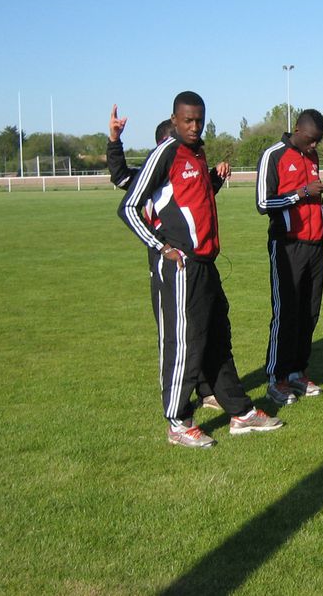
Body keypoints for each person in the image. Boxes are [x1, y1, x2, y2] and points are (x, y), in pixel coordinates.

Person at [119, 91, 282, 448]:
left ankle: (239, 412)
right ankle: (178, 422)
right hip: (180, 267)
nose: (194, 127)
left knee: (217, 339)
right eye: (187, 121)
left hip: (206, 264)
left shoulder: (197, 152)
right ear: (175, 120)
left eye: (199, 120)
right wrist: (162, 247)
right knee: (184, 343)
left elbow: (194, 199)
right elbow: (129, 207)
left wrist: (216, 182)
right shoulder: (166, 153)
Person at [107, 105, 222, 412]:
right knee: (175, 332)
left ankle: (206, 389)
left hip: (191, 258)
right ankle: (176, 404)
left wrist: (216, 180)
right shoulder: (157, 166)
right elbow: (121, 180)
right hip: (165, 259)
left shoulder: (187, 163)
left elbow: (196, 201)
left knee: (200, 328)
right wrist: (115, 141)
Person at [255, 109, 323, 406]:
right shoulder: (273, 155)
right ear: (298, 130)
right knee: (285, 313)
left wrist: (319, 198)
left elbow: (311, 193)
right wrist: (301, 193)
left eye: (318, 142)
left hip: (315, 244)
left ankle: (298, 371)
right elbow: (263, 202)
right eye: (312, 140)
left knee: (309, 312)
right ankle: (276, 379)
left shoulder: (312, 157)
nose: (315, 146)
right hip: (287, 246)